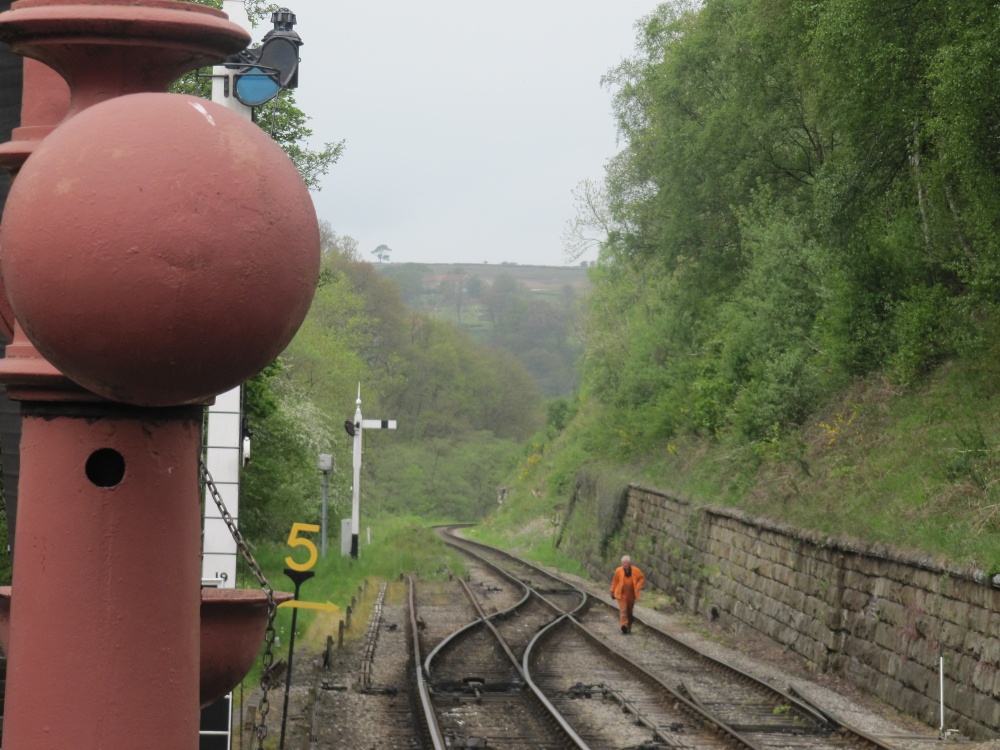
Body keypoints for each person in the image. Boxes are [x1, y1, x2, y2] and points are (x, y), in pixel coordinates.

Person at [610, 554, 645, 634]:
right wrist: (612, 590)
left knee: (629, 611)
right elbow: (615, 581)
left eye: (626, 563)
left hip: (631, 595)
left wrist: (637, 587)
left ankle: (628, 626)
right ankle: (623, 625)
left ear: (629, 563)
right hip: (621, 594)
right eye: (624, 563)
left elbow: (641, 578)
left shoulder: (636, 570)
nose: (625, 565)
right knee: (623, 610)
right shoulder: (618, 570)